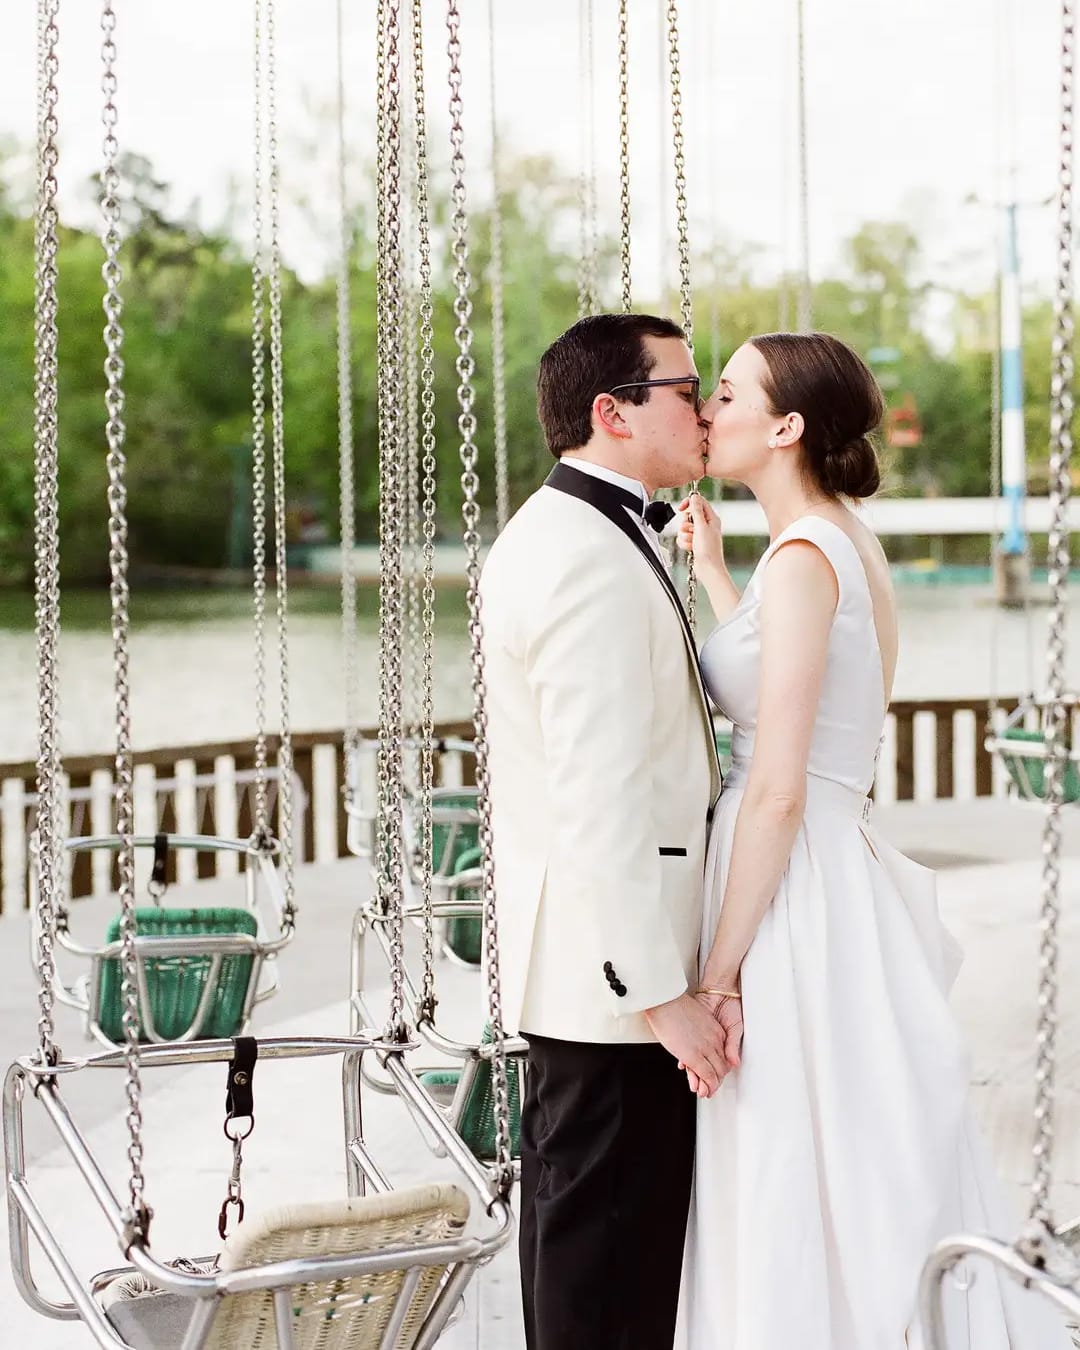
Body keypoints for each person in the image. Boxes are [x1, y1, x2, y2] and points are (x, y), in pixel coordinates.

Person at [675, 331, 1072, 1349]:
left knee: (792, 1144)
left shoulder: (808, 557)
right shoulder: (829, 541)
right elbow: (782, 689)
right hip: (828, 862)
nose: (707, 412)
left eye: (725, 394)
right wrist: (718, 573)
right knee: (833, 1140)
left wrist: (718, 975)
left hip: (794, 880)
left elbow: (776, 788)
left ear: (787, 425)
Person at [479, 312, 729, 1350]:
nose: (706, 406)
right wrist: (662, 997)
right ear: (612, 413)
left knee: (592, 1261)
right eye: (686, 387)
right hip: (614, 990)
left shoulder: (590, 530)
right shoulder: (582, 554)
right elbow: (600, 798)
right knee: (606, 1281)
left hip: (596, 980)